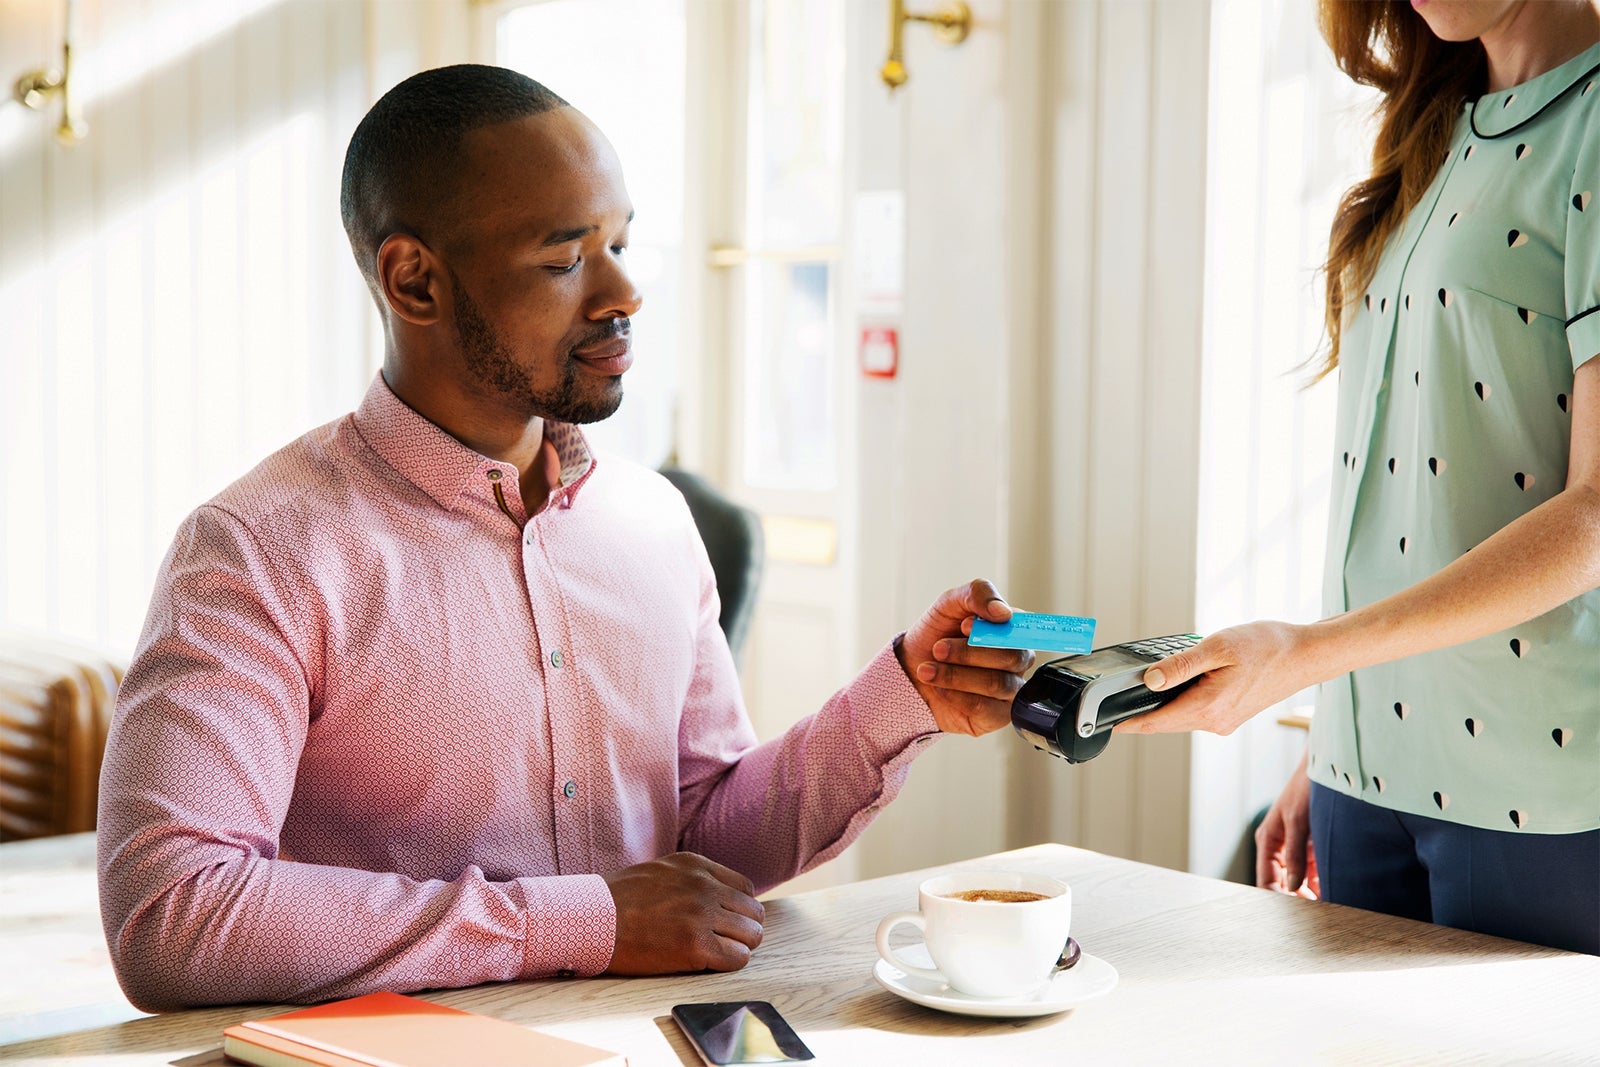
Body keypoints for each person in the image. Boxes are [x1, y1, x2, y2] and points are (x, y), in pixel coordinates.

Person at [96, 64, 1034, 1012]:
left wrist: (903, 695)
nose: (624, 289)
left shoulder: (653, 522)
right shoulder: (256, 549)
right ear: (413, 279)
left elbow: (704, 845)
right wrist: (588, 920)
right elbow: (173, 915)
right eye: (565, 258)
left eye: (620, 241)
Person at [1119, 0, 1600, 954]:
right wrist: (1325, 732)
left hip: (1534, 787)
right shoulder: (1437, 120)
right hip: (1358, 773)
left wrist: (1304, 654)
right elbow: (1404, 478)